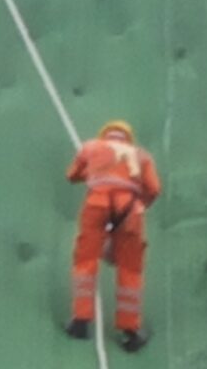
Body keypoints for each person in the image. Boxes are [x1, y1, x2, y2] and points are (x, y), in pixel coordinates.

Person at [65, 119, 161, 351]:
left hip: (96, 204)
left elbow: (72, 175)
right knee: (130, 268)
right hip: (130, 210)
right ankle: (130, 331)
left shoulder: (91, 147)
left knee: (86, 260)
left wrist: (95, 174)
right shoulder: (142, 155)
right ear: (128, 138)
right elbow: (154, 188)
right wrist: (140, 206)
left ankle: (80, 321)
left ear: (104, 135)